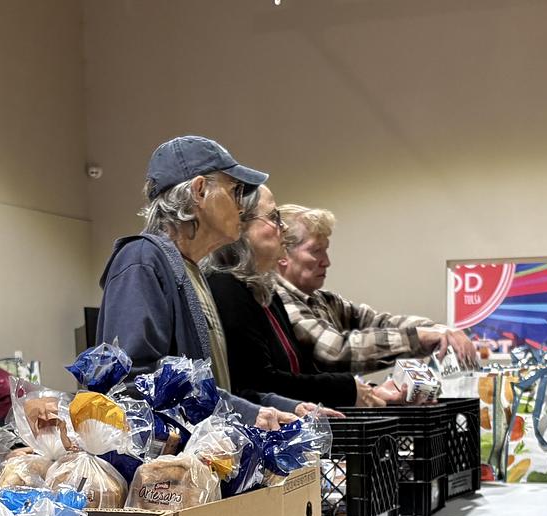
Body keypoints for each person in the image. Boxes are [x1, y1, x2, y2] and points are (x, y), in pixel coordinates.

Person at [96, 135, 303, 428]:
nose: (241, 207)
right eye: (235, 190)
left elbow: (219, 387)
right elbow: (132, 383)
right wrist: (245, 413)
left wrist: (278, 406)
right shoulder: (142, 260)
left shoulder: (192, 271)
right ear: (200, 190)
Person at [207, 187, 391, 409]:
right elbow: (257, 382)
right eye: (273, 217)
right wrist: (347, 388)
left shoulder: (264, 289)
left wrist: (366, 391)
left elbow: (301, 370)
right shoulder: (227, 288)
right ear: (240, 227)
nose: (282, 227)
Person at [275, 205, 477, 375]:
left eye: (325, 250)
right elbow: (335, 351)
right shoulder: (278, 299)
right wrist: (418, 337)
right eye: (315, 251)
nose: (326, 262)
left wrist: (437, 329)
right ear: (283, 254)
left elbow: (379, 322)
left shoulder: (322, 301)